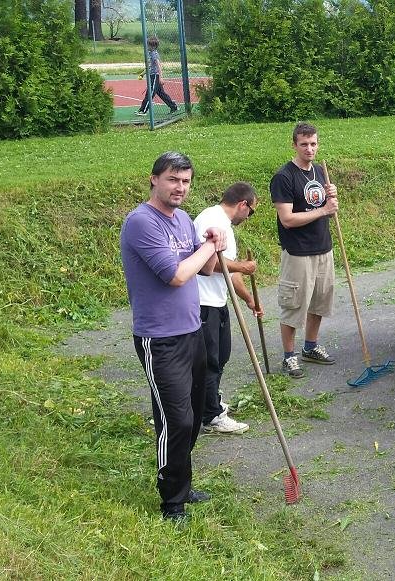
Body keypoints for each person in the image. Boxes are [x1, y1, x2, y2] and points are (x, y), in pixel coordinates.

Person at [120, 151, 225, 521]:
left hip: (192, 330)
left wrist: (214, 244)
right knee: (175, 420)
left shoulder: (182, 219)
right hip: (160, 339)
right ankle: (172, 501)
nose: (180, 187)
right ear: (154, 179)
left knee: (192, 418)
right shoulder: (141, 222)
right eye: (173, 179)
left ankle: (182, 482)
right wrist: (207, 247)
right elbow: (176, 275)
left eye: (186, 181)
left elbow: (205, 269)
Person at [269, 122, 339, 378]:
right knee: (294, 305)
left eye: (313, 144)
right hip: (298, 252)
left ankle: (310, 347)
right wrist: (323, 210)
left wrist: (331, 198)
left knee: (319, 301)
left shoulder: (320, 172)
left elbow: (326, 209)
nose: (310, 149)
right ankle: (289, 356)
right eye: (304, 144)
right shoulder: (284, 177)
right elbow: (287, 219)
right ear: (294, 145)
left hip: (323, 248)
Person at [194, 182, 260, 435]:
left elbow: (230, 271)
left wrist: (249, 299)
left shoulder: (224, 225)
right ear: (243, 204)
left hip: (217, 301)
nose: (249, 217)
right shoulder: (212, 220)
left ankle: (210, 402)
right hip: (203, 302)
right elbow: (209, 263)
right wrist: (242, 266)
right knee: (209, 360)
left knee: (221, 355)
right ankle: (211, 416)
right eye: (251, 211)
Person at [136, 35, 178, 116]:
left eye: (148, 45)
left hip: (155, 76)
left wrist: (160, 77)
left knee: (150, 93)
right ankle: (173, 107)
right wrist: (143, 74)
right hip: (152, 75)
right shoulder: (150, 53)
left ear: (153, 46)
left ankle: (143, 110)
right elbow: (150, 66)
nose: (147, 46)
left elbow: (158, 65)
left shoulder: (154, 54)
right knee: (161, 93)